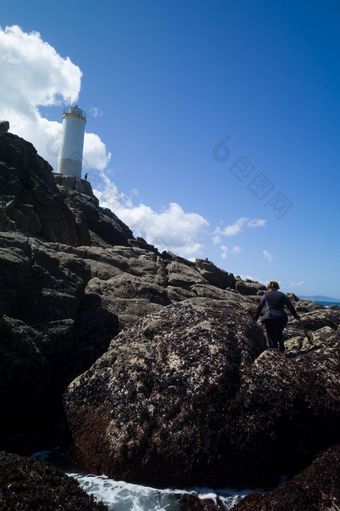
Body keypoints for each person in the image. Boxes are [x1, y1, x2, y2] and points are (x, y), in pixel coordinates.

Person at [254, 280, 300, 353]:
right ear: (277, 287)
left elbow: (259, 307)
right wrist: (296, 316)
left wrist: (255, 319)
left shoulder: (265, 295)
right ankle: (282, 348)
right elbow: (290, 307)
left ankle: (274, 351)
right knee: (279, 332)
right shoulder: (282, 295)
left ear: (269, 287)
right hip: (282, 317)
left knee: (270, 335)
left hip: (270, 317)